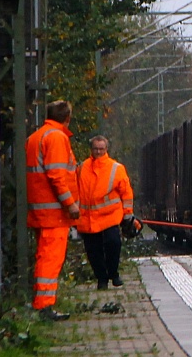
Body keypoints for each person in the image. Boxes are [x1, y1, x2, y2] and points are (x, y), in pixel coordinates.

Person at [26, 100, 79, 320]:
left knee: (43, 256)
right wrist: (70, 204)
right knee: (51, 258)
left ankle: (40, 301)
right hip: (54, 213)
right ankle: (44, 306)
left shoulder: (35, 137)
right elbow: (57, 176)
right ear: (67, 118)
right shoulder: (56, 138)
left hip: (40, 209)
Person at [75, 135, 135, 291]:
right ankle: (102, 279)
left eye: (101, 149)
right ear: (91, 149)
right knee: (93, 251)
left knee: (113, 243)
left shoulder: (116, 168)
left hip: (110, 216)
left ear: (106, 149)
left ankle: (114, 274)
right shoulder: (82, 168)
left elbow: (126, 193)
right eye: (95, 149)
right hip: (88, 219)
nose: (98, 151)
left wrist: (127, 214)